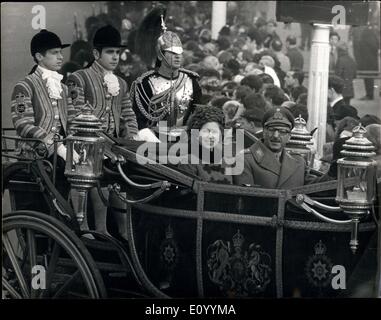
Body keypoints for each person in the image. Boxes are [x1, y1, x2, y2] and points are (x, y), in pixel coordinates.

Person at [66, 25, 139, 239]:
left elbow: (128, 114)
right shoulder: (79, 78)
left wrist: (132, 136)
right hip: (84, 143)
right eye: (109, 52)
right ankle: (89, 228)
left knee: (123, 174)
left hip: (113, 145)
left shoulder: (122, 84)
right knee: (97, 171)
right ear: (96, 54)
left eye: (117, 52)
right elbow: (74, 116)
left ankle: (121, 230)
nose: (115, 57)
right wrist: (101, 143)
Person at [10, 29, 78, 211]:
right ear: (39, 56)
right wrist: (55, 144)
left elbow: (71, 121)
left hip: (60, 155)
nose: (61, 57)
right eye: (55, 53)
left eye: (60, 52)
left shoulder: (62, 88)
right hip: (34, 155)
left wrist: (76, 142)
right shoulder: (25, 86)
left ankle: (79, 221)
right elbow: (23, 124)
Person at [132, 6, 202, 130]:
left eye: (179, 54)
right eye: (172, 54)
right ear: (160, 55)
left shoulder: (191, 81)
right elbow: (139, 122)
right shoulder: (145, 83)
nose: (177, 57)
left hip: (185, 140)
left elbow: (198, 116)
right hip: (153, 141)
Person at [233, 107, 319, 188]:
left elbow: (316, 188)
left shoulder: (299, 161)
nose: (276, 136)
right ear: (264, 132)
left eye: (282, 131)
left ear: (289, 136)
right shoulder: (244, 160)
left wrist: (331, 174)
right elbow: (245, 199)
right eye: (271, 130)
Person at [177, 105, 232, 184]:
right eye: (206, 131)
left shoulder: (226, 160)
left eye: (214, 132)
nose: (210, 136)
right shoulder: (188, 161)